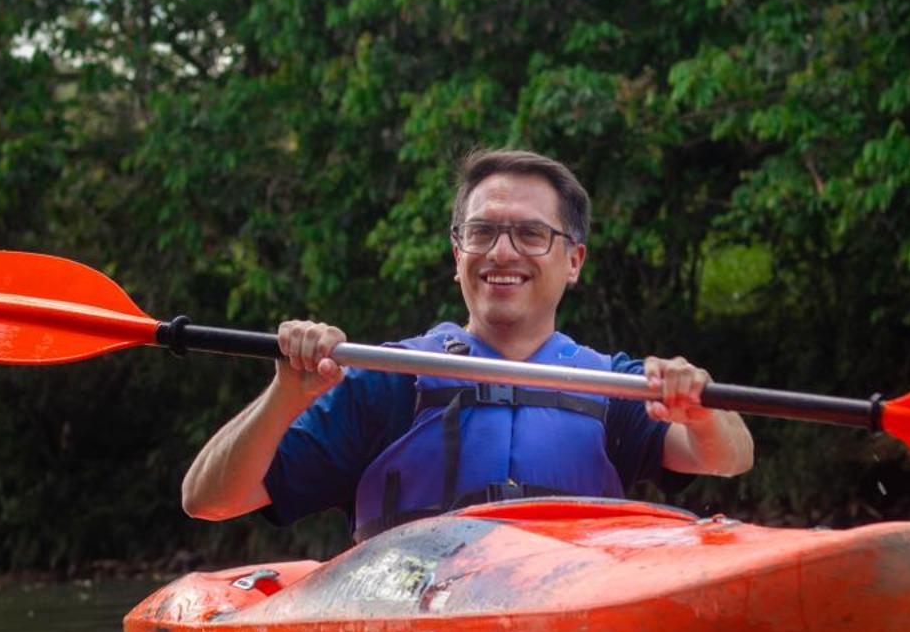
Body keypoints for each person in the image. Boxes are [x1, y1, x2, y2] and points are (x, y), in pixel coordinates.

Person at [181, 148, 754, 537]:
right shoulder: (386, 379)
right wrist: (285, 393)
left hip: (568, 608)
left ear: (573, 261)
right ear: (458, 255)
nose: (502, 252)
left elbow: (730, 458)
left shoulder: (612, 385)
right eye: (482, 232)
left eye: (531, 234)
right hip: (420, 623)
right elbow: (209, 500)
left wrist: (700, 409)